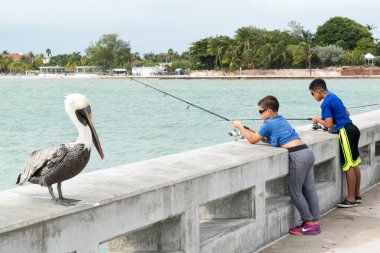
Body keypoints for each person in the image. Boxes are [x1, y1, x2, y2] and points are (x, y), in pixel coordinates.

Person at [230, 95, 321, 235]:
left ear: (269, 111)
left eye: (261, 111)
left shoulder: (268, 124)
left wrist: (240, 126)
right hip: (307, 152)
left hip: (297, 156)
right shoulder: (281, 119)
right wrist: (257, 132)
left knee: (295, 190)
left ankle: (308, 223)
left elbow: (252, 141)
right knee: (309, 189)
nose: (259, 114)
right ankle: (315, 222)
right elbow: (271, 140)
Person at [309, 78, 361, 208]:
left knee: (348, 166)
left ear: (317, 91)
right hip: (353, 129)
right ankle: (356, 195)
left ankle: (350, 199)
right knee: (354, 164)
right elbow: (347, 113)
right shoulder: (334, 97)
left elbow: (328, 124)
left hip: (345, 132)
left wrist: (317, 120)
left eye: (312, 93)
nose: (313, 96)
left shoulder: (326, 103)